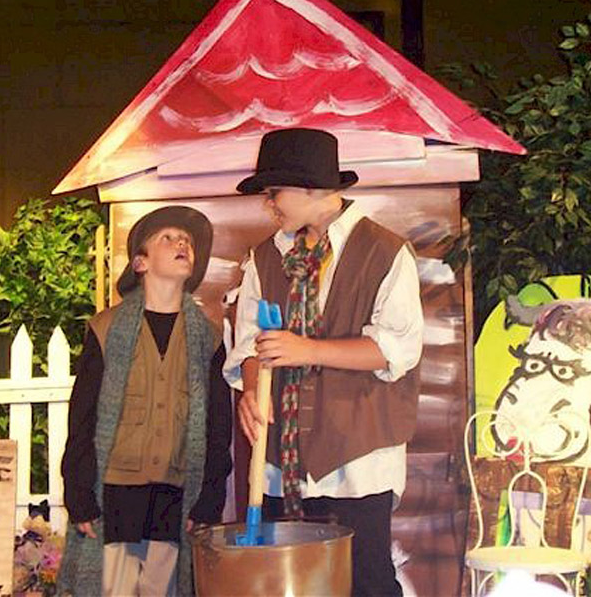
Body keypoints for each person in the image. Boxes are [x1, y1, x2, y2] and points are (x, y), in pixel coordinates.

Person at [224, 128, 423, 596]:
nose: (269, 204)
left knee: (367, 584)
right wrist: (252, 391)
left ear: (311, 189)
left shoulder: (385, 252)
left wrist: (308, 349)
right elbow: (251, 344)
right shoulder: (265, 257)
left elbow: (396, 348)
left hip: (357, 460)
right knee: (289, 585)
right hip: (281, 463)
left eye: (275, 191)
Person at [58, 206, 232, 597]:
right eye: (167, 238)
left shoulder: (208, 338)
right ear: (141, 262)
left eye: (186, 240)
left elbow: (218, 426)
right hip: (117, 490)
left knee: (162, 589)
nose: (181, 243)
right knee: (119, 589)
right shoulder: (106, 329)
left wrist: (209, 496)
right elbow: (82, 415)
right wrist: (79, 490)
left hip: (175, 493)